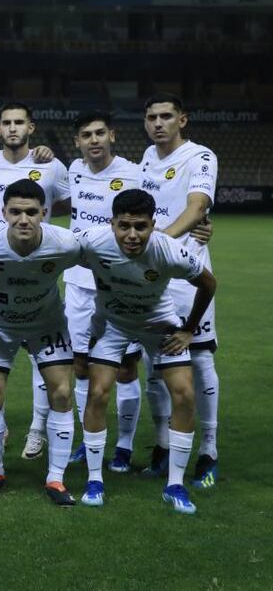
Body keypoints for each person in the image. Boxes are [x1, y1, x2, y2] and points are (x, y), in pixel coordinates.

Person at [76, 188, 216, 514]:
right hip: (113, 324)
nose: (132, 235)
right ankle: (95, 479)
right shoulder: (93, 241)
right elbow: (56, 251)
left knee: (183, 394)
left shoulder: (168, 249)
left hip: (158, 324)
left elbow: (208, 283)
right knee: (97, 392)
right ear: (112, 223)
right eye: (124, 226)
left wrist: (188, 329)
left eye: (141, 226)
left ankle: (175, 485)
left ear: (153, 224)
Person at [0, 179, 79, 507]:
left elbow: (104, 256)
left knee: (61, 392)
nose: (23, 219)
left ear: (44, 213)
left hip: (45, 324)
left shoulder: (65, 244)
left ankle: (56, 478)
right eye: (15, 211)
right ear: (2, 213)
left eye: (31, 212)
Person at [0, 101, 70, 462]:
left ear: (31, 127)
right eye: (6, 123)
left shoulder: (51, 165)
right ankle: (1, 432)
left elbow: (71, 204)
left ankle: (37, 429)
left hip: (36, 264)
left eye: (19, 122)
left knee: (43, 362)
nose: (13, 128)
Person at [138, 93, 220, 488]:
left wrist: (159, 244)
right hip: (151, 277)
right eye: (151, 117)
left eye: (166, 116)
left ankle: (209, 450)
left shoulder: (200, 157)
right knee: (154, 367)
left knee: (200, 359)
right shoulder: (146, 158)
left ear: (182, 120)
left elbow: (197, 207)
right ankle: (163, 445)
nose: (158, 123)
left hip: (186, 274)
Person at [62, 111, 144, 472]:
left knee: (126, 368)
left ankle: (124, 445)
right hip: (80, 284)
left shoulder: (134, 173)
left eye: (99, 133)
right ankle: (86, 438)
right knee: (80, 365)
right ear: (78, 142)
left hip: (122, 284)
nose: (93, 140)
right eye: (86, 135)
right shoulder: (73, 171)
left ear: (112, 135)